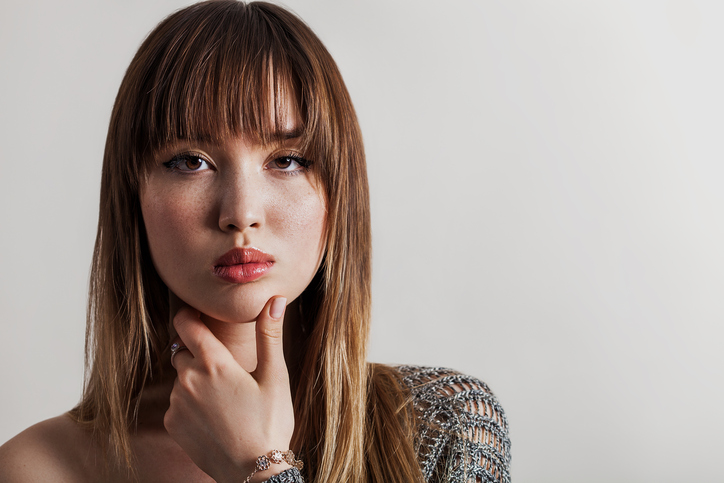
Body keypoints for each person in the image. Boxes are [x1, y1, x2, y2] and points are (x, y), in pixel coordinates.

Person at [0, 2, 511, 482]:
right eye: (190, 161)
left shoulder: (443, 427)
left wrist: (257, 465)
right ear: (133, 194)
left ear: (339, 191)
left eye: (286, 160)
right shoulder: (41, 467)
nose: (241, 213)